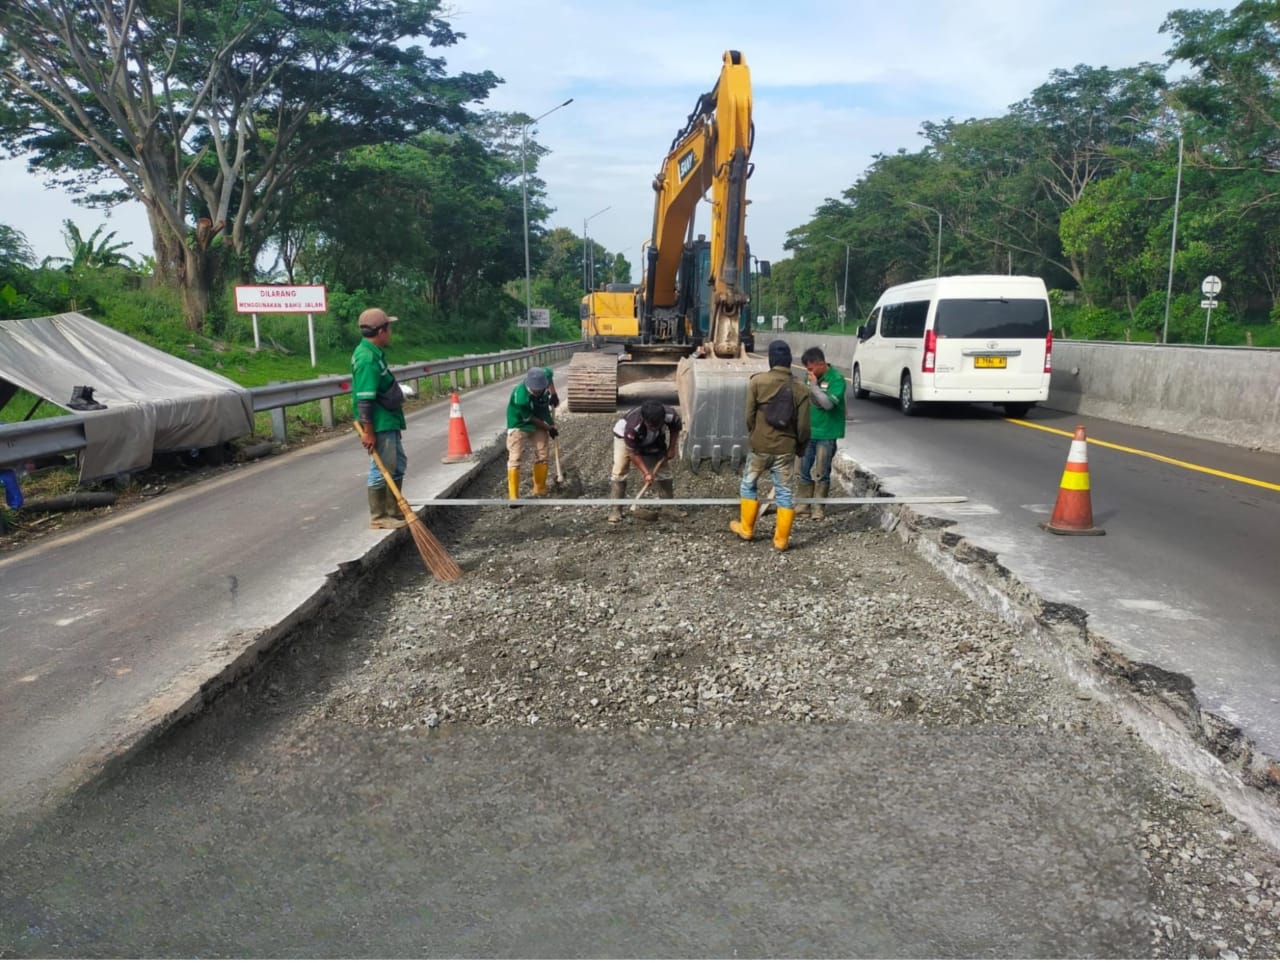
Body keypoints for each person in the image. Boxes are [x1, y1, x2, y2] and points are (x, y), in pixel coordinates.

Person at [730, 339, 810, 551]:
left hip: (759, 446)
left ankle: (746, 529)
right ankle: (781, 541)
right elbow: (803, 427)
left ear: (771, 360)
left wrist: (755, 435)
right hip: (786, 449)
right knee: (784, 493)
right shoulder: (801, 388)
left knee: (749, 484)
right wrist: (800, 447)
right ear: (790, 362)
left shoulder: (757, 382)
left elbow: (749, 415)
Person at [352, 307, 407, 530]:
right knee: (382, 467)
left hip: (388, 419)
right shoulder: (366, 358)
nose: (390, 332)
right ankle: (379, 515)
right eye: (389, 328)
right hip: (379, 421)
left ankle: (394, 510)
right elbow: (365, 398)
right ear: (381, 331)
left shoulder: (373, 352)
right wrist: (369, 431)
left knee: (397, 464)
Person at [608, 399, 684, 523]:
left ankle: (669, 507)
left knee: (664, 471)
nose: (653, 427)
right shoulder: (632, 427)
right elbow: (633, 453)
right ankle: (616, 510)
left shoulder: (670, 415)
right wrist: (646, 473)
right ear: (644, 419)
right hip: (624, 438)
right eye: (651, 425)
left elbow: (675, 428)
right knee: (620, 470)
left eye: (657, 425)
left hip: (655, 439)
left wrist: (672, 447)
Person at [796, 346, 846, 521]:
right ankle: (803, 505)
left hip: (826, 433)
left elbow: (828, 405)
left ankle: (818, 507)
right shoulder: (811, 377)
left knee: (821, 471)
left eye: (811, 368)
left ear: (821, 363)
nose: (808, 372)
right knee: (803, 469)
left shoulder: (837, 379)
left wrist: (815, 387)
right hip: (809, 431)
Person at [506, 367, 557, 501]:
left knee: (543, 454)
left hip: (539, 420)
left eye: (541, 389)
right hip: (519, 424)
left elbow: (549, 375)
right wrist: (548, 428)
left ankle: (539, 489)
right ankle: (513, 496)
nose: (539, 391)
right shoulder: (521, 397)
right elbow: (530, 419)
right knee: (515, 457)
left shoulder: (543, 378)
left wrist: (553, 393)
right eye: (537, 390)